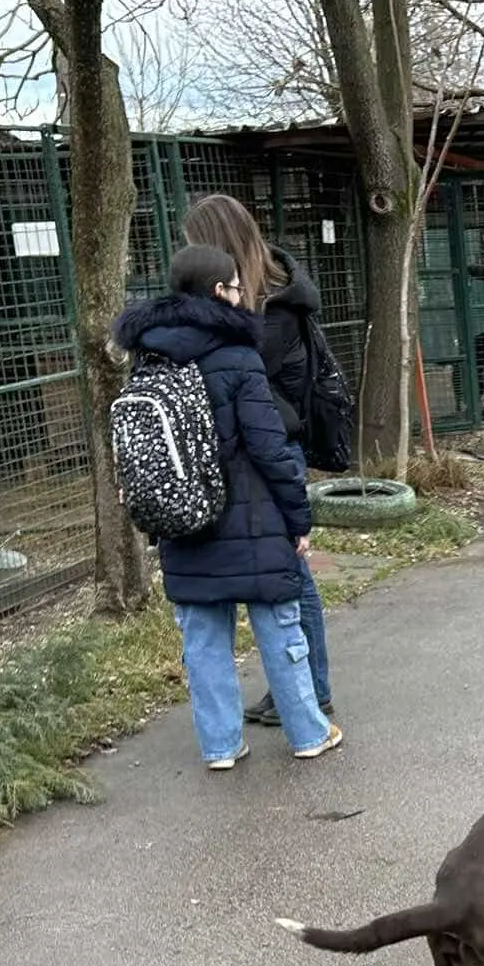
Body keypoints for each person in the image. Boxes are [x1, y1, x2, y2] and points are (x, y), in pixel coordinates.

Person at [114, 245, 345, 769]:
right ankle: (308, 732)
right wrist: (298, 518)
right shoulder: (237, 354)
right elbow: (268, 446)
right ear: (219, 290)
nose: (244, 296)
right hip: (253, 515)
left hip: (184, 518)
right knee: (279, 627)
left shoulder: (148, 355)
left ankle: (220, 746)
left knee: (202, 640)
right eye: (238, 287)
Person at [180, 194, 339, 731]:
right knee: (288, 571)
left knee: (291, 573)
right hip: (259, 446)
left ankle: (311, 692)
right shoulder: (266, 299)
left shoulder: (268, 313)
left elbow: (236, 376)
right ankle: (304, 691)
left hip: (269, 448)